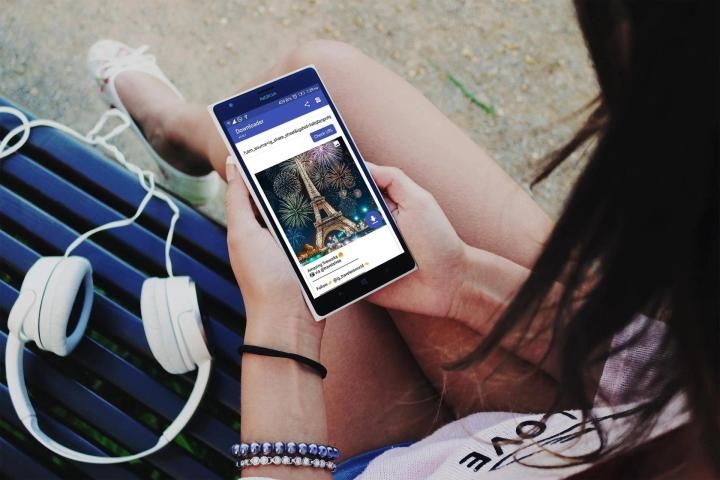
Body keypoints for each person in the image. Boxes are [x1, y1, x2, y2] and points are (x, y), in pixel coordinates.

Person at [86, 1, 717, 478]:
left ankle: (183, 137)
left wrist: (283, 328)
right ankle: (185, 133)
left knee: (278, 162)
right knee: (310, 93)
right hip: (583, 411)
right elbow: (661, 374)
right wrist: (461, 283)